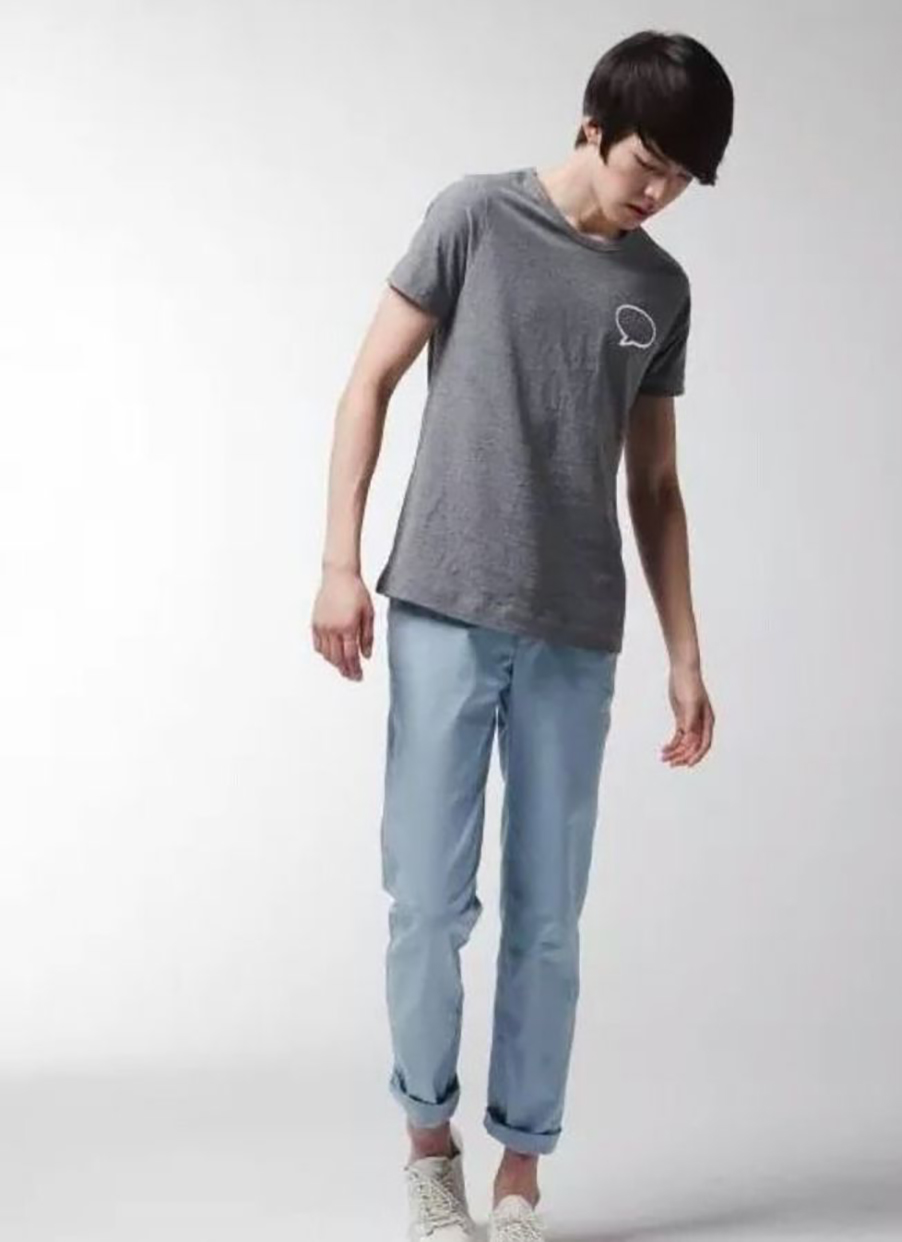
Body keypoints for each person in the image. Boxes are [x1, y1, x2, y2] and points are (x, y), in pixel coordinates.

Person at [311, 27, 733, 1242]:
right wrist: (340, 564)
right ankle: (428, 1148)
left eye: (683, 178)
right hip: (443, 604)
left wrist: (686, 654)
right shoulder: (474, 217)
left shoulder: (661, 292)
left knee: (548, 920)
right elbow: (368, 383)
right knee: (425, 905)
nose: (659, 192)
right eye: (648, 162)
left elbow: (656, 487)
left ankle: (521, 1172)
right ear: (594, 125)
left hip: (574, 633)